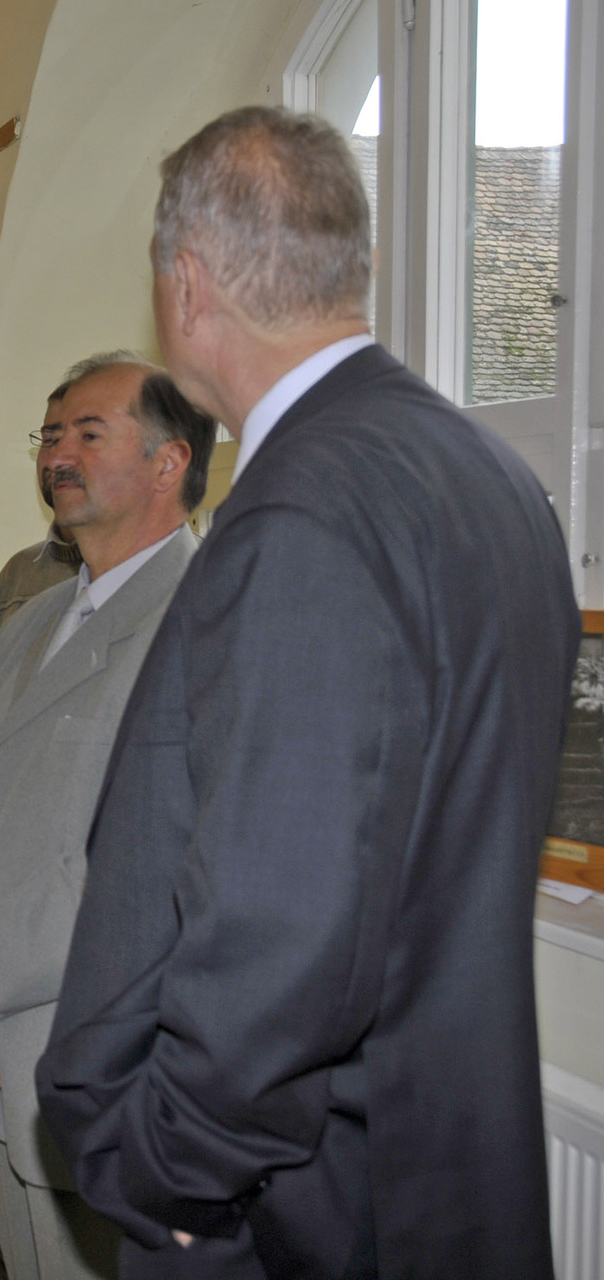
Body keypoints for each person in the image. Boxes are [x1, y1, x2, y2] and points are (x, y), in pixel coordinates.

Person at [38, 107, 578, 1280]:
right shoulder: (494, 476)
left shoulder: (303, 512)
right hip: (442, 1166)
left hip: (290, 1209)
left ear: (186, 286)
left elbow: (281, 925)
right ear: (350, 264)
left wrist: (170, 1169)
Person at [0, 354, 215, 1280]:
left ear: (169, 462)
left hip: (94, 1062)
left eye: (89, 433)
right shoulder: (34, 619)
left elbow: (126, 874)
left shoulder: (201, 623)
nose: (57, 454)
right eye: (51, 433)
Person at [0, 382, 83, 639]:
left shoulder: (168, 572)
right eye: (49, 440)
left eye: (88, 438)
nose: (56, 458)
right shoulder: (17, 576)